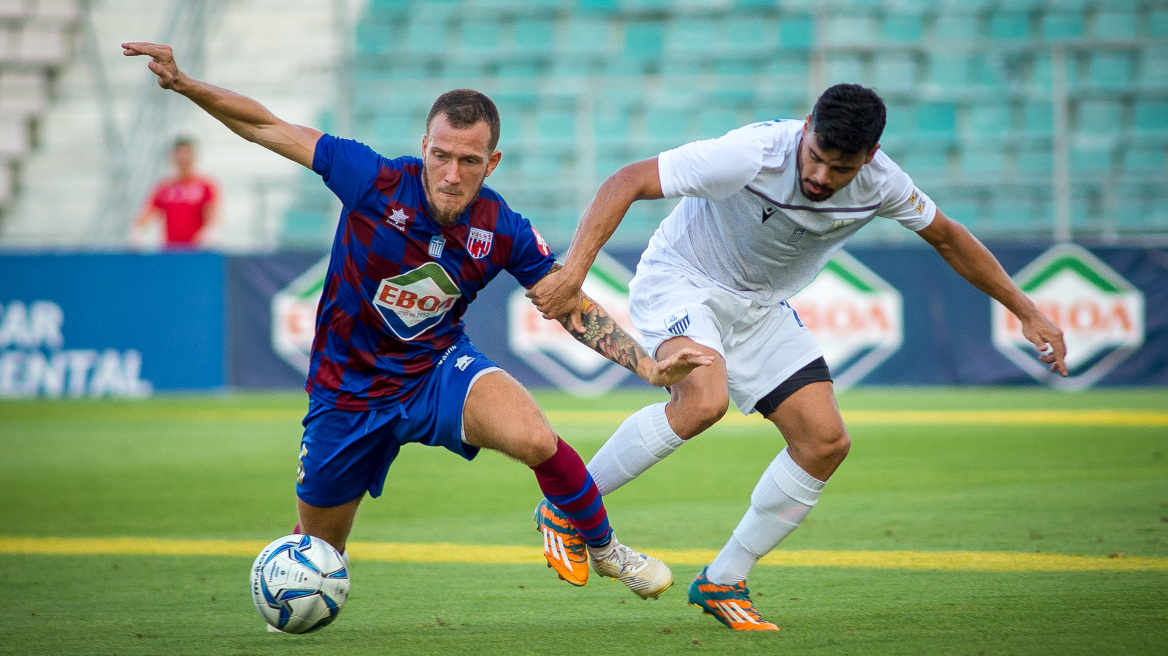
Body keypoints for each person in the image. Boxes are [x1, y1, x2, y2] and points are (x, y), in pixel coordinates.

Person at [123, 42, 715, 610]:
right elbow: (268, 127)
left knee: (535, 437)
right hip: (345, 395)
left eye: (469, 161)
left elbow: (569, 304)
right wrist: (186, 84)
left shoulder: (501, 227)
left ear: (492, 162)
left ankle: (607, 550)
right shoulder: (372, 180)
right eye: (441, 155)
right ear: (423, 145)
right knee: (320, 555)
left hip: (435, 372)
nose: (452, 174)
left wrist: (648, 364)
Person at [526, 83, 1069, 631]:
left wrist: (1026, 310)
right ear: (806, 126)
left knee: (824, 442)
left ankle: (724, 579)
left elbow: (949, 238)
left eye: (840, 167)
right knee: (703, 401)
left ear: (870, 157)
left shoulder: (885, 185)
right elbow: (627, 180)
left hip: (760, 309)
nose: (820, 177)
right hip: (682, 280)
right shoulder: (752, 153)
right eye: (814, 157)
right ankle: (569, 505)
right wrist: (574, 272)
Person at [132, 136, 220, 248]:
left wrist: (209, 232)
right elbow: (145, 216)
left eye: (188, 154)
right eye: (180, 154)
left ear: (195, 157)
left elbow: (212, 215)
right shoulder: (164, 187)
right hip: (171, 251)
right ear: (173, 157)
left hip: (197, 251)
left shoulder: (205, 186)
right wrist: (137, 233)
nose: (184, 158)